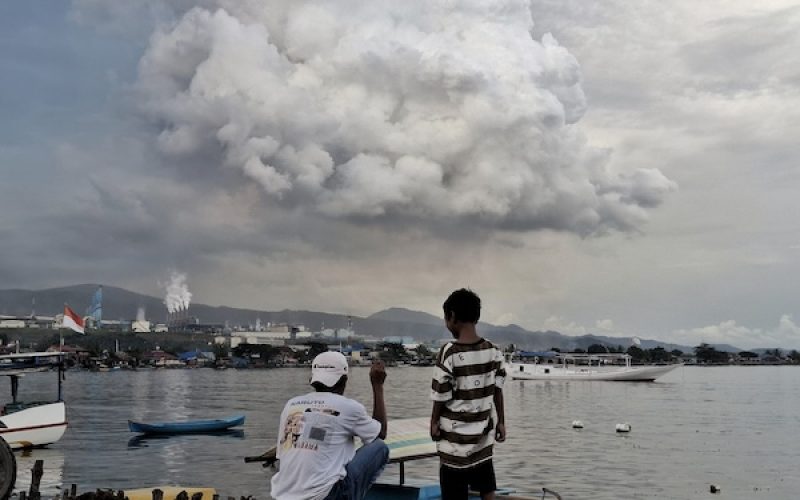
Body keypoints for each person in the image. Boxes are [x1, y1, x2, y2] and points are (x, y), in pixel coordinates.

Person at [270, 351, 389, 500]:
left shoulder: (291, 405)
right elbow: (380, 433)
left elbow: (284, 452)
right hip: (327, 496)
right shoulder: (349, 408)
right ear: (344, 380)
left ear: (312, 380)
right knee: (379, 447)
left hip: (283, 495)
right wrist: (377, 385)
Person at [430, 288, 507, 500]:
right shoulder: (493, 351)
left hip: (453, 446)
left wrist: (434, 422)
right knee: (487, 488)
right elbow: (498, 391)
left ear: (452, 316)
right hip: (482, 442)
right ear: (476, 316)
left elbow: (440, 394)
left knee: (454, 492)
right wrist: (501, 422)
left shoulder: (449, 352)